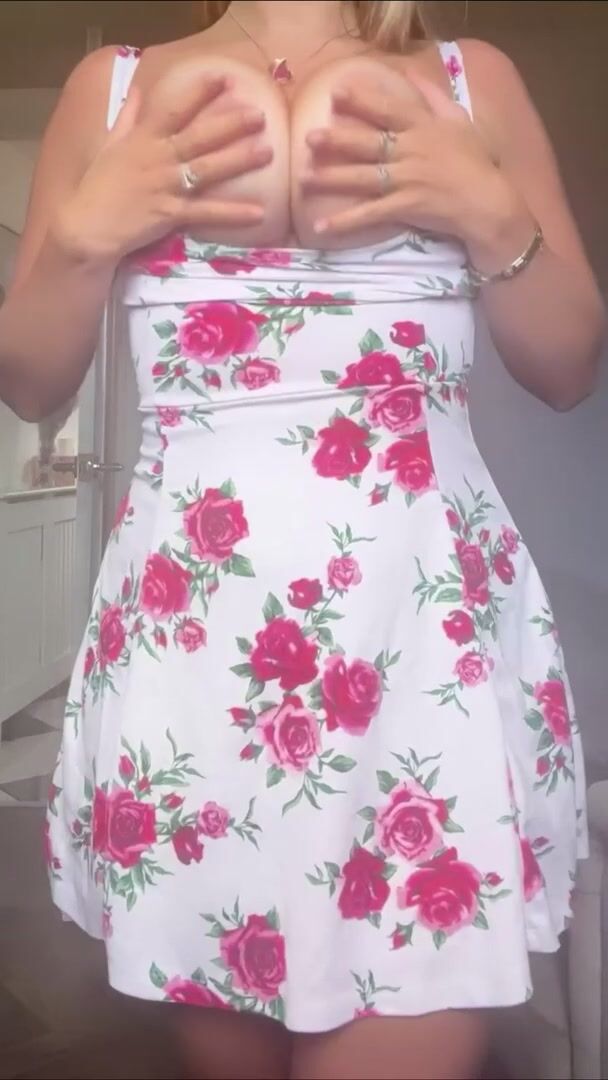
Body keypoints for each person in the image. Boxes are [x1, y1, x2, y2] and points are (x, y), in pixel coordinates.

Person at [0, 1, 604, 1077]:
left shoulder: (472, 80)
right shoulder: (112, 89)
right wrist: (83, 239)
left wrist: (490, 214)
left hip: (420, 659)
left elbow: (566, 370)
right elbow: (34, 385)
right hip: (195, 667)